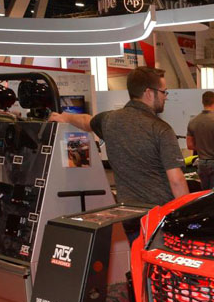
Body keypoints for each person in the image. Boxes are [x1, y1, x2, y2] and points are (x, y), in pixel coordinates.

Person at [49, 66, 187, 207]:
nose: (166, 97)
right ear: (149, 93)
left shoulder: (109, 120)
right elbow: (176, 181)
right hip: (159, 214)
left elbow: (86, 121)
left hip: (128, 212)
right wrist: (187, 213)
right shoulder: (161, 129)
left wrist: (65, 117)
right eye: (164, 92)